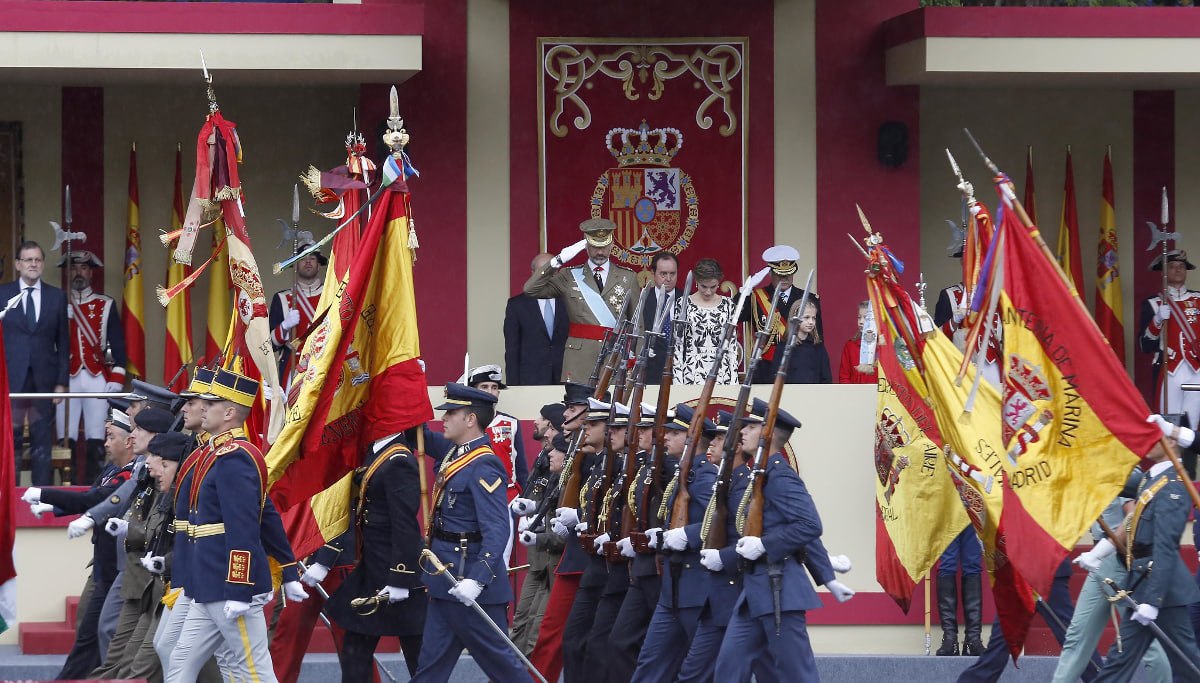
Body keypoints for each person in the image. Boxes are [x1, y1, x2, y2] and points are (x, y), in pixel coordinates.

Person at [166, 368, 308, 683]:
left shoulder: (235, 457)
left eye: (211, 403)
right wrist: (288, 568)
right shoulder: (217, 453)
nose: (202, 407)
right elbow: (266, 514)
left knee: (253, 670)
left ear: (229, 412)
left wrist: (240, 588)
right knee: (179, 660)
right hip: (209, 582)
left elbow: (244, 526)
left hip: (228, 583)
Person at [409, 383, 529, 683]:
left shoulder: (484, 464)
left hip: (471, 587)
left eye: (452, 412)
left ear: (471, 419)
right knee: (429, 670)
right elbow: (417, 434)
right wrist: (410, 387)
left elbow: (497, 528)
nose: (444, 418)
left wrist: (478, 578)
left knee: (505, 671)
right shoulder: (455, 452)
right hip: (444, 583)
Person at [712, 399, 827, 681]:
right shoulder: (759, 475)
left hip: (779, 590)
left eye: (751, 426)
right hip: (755, 591)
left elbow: (810, 525)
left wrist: (765, 545)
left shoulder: (780, 476)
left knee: (797, 674)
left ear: (768, 433)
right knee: (728, 668)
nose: (743, 432)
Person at [23, 407, 137, 679]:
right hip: (104, 564)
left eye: (110, 437)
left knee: (100, 633)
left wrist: (45, 493)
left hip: (118, 568)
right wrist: (52, 507)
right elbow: (92, 495)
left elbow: (92, 502)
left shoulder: (131, 475)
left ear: (128, 441)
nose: (106, 443)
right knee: (88, 628)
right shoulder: (113, 469)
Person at [1093, 438, 1200, 681]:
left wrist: (1154, 600)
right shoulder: (1151, 479)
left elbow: (1165, 546)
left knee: (1187, 666)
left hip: (1165, 593)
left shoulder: (1173, 484)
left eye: (1154, 435)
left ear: (1171, 442)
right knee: (1120, 660)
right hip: (1142, 583)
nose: (1147, 441)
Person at [324, 430, 426, 681]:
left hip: (397, 574)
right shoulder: (375, 452)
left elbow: (405, 525)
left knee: (419, 657)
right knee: (355, 653)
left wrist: (401, 578)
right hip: (372, 570)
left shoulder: (399, 459)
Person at [629, 403, 717, 682]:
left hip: (697, 589)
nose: (665, 437)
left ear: (692, 438)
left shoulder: (705, 478)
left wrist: (685, 536)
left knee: (698, 671)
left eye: (674, 432)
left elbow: (715, 525)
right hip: (672, 590)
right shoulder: (684, 475)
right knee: (650, 663)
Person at [1049, 494, 1168, 683]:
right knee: (1077, 636)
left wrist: (1103, 549)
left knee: (1145, 640)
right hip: (1098, 562)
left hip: (1121, 561)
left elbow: (1133, 516)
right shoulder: (1088, 474)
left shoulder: (1121, 470)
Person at [524, 218, 640, 383]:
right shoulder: (568, 276)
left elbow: (637, 326)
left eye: (603, 246)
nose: (599, 252)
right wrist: (557, 260)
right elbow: (530, 289)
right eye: (594, 246)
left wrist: (635, 362)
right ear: (585, 245)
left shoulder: (627, 277)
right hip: (579, 362)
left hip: (614, 360)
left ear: (611, 245)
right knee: (577, 408)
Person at [56, 250, 127, 483]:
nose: (79, 272)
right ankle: (68, 485)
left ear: (90, 273)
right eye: (74, 268)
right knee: (64, 435)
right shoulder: (57, 302)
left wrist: (117, 378)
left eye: (84, 268)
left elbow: (117, 343)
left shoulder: (104, 304)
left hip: (97, 375)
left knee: (97, 435)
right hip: (65, 378)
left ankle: (93, 485)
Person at [2, 240, 69, 485]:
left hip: (45, 380)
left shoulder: (56, 297)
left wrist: (62, 383)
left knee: (42, 443)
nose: (33, 264)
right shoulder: (2, 294)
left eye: (37, 260)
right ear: (18, 264)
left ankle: (40, 499)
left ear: (42, 264)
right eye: (28, 260)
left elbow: (64, 343)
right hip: (10, 378)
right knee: (12, 441)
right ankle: (10, 499)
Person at [511, 430, 568, 655]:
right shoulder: (551, 473)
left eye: (557, 450)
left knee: (538, 629)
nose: (550, 453)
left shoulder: (567, 482)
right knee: (523, 620)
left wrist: (539, 537)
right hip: (541, 559)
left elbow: (562, 533)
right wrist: (531, 510)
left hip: (555, 561)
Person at [742, 245, 821, 383]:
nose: (784, 278)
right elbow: (734, 315)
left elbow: (817, 337)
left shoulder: (808, 298)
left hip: (798, 364)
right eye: (779, 275)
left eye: (788, 274)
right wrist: (745, 292)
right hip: (766, 368)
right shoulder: (756, 297)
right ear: (771, 273)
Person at [1140, 249, 1200, 429]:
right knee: (1169, 424)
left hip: (1196, 370)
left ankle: (1190, 458)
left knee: (1193, 424)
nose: (1177, 270)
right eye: (1172, 266)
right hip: (1169, 370)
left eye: (1181, 266)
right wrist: (1157, 320)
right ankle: (1170, 458)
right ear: (1164, 272)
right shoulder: (1153, 303)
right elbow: (1144, 345)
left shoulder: (1198, 299)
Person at [268, 234, 326, 391]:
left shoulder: (331, 295)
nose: (307, 261)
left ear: (319, 264)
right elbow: (271, 344)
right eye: (302, 258)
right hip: (292, 370)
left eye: (312, 258)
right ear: (295, 265)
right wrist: (285, 326)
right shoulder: (282, 298)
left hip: (324, 366)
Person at [465, 364, 529, 503]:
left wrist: (524, 500)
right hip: (472, 497)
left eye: (494, 387)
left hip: (508, 498)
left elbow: (521, 468)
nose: (490, 391)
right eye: (484, 387)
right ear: (473, 391)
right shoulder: (463, 423)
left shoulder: (512, 423)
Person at [503, 253, 568, 385]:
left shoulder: (570, 301)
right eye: (542, 271)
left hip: (566, 380)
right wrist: (513, 386)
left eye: (552, 270)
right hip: (531, 381)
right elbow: (512, 351)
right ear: (533, 273)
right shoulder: (517, 305)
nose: (547, 276)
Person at [673, 257, 740, 384]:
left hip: (722, 375)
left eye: (713, 287)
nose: (708, 292)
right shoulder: (683, 303)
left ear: (719, 282)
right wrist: (678, 381)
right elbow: (678, 345)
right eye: (704, 286)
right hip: (691, 375)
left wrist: (734, 381)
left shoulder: (728, 304)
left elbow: (732, 345)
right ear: (696, 281)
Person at [643, 253, 679, 380]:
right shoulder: (642, 300)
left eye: (672, 273)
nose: (668, 278)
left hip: (681, 372)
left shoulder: (689, 299)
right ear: (653, 273)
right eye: (663, 274)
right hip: (650, 373)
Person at [785, 299, 832, 384]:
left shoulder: (818, 347)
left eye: (813, 318)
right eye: (806, 317)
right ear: (795, 318)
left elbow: (826, 378)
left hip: (814, 395)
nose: (811, 322)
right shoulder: (784, 347)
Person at [838, 301, 878, 384]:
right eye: (859, 317)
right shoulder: (850, 346)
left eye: (866, 318)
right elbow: (844, 377)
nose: (861, 321)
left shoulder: (883, 348)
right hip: (854, 395)